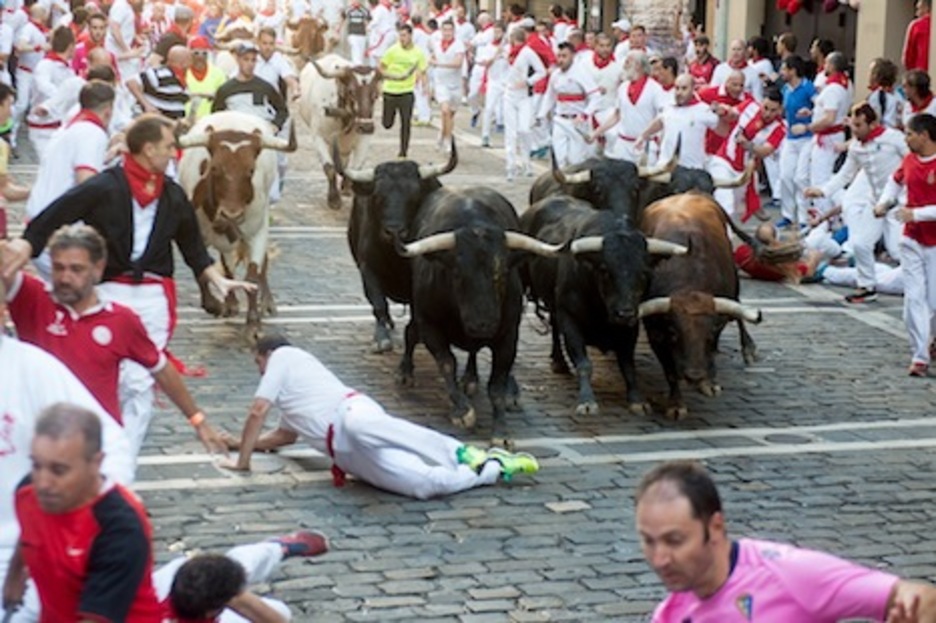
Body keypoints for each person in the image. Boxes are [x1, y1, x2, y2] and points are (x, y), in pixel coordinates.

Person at [1, 113, 254, 457]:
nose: (173, 152)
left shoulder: (174, 195)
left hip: (154, 299)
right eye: (168, 146)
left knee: (139, 383)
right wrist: (27, 244)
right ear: (148, 149)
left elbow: (192, 245)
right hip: (109, 292)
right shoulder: (105, 186)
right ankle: (95, 443)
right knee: (115, 379)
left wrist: (214, 278)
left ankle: (122, 460)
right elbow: (57, 213)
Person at [3, 223, 228, 460]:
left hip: (98, 449)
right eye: (59, 268)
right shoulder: (33, 299)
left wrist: (198, 420)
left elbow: (161, 369)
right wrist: (19, 247)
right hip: (38, 446)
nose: (65, 278)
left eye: (76, 269)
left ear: (98, 269)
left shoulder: (121, 320)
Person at [219, 335, 540, 500]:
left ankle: (461, 452)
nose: (259, 371)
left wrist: (243, 462)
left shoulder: (285, 356)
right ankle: (492, 467)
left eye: (257, 362)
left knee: (361, 427)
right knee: (424, 486)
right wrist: (238, 443)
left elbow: (257, 410)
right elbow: (283, 437)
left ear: (267, 355)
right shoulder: (290, 400)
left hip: (349, 414)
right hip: (345, 455)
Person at [635, 460, 936, 621]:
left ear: (715, 527)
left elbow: (923, 599)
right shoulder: (671, 615)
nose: (660, 558)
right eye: (648, 541)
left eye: (674, 541)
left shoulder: (790, 574)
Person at [0, 274, 133, 622]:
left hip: (25, 556)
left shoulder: (32, 368)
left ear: (2, 311)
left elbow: (109, 440)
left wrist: (88, 525)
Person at [2, 404, 163, 621]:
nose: (43, 482)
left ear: (96, 463)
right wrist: (14, 575)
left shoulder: (120, 529)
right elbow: (30, 530)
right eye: (37, 465)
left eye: (59, 470)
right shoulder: (28, 492)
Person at [805, 103, 907, 304]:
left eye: (859, 125)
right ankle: (867, 286)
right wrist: (824, 190)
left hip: (899, 201)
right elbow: (845, 174)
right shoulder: (855, 147)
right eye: (852, 126)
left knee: (898, 249)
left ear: (872, 123)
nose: (855, 130)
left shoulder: (893, 138)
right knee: (860, 242)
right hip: (875, 202)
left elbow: (913, 159)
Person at [874, 113, 936, 377]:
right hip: (911, 239)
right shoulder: (909, 160)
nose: (906, 138)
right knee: (914, 298)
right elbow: (894, 182)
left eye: (910, 133)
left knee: (933, 300)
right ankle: (919, 355)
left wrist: (918, 213)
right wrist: (885, 201)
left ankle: (930, 340)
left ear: (924, 135)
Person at [156, 531, 328, 622]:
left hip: (174, 583)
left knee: (235, 565)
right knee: (281, 611)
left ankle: (277, 548)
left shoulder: (166, 578)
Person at [707, 88, 785, 222]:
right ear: (761, 103)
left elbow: (765, 151)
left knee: (733, 208)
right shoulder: (750, 105)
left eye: (773, 111)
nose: (767, 114)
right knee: (726, 203)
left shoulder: (779, 128)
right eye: (765, 108)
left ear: (780, 110)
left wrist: (748, 145)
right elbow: (732, 113)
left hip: (745, 172)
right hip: (723, 161)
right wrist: (721, 110)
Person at [792, 51, 852, 218]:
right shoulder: (844, 84)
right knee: (808, 176)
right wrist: (811, 112)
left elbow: (829, 118)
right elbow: (828, 111)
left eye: (826, 63)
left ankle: (826, 218)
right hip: (828, 136)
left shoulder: (833, 88)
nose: (824, 66)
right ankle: (821, 216)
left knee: (821, 180)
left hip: (827, 138)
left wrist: (807, 128)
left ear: (832, 66)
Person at [589, 50, 667, 165]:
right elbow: (617, 115)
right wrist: (596, 132)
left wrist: (645, 135)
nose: (624, 66)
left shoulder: (655, 89)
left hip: (645, 146)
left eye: (628, 62)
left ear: (638, 65)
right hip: (623, 145)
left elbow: (662, 118)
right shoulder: (622, 87)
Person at [635, 74, 720, 177]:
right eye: (677, 88)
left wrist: (723, 114)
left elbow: (723, 131)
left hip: (691, 170)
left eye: (684, 88)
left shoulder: (705, 110)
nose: (679, 92)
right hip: (664, 168)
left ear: (693, 89)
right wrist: (643, 136)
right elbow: (660, 121)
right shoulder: (668, 106)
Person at [536, 41, 599, 168]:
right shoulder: (555, 75)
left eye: (564, 56)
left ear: (573, 56)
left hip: (577, 122)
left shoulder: (581, 73)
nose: (560, 60)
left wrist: (585, 115)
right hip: (560, 119)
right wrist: (541, 114)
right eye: (559, 56)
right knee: (560, 158)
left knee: (575, 160)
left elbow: (596, 96)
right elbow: (550, 96)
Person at [501, 27, 546, 180]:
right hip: (509, 94)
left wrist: (528, 81)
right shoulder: (507, 51)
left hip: (524, 96)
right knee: (511, 132)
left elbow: (542, 71)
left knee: (525, 129)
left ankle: (526, 161)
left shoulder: (527, 52)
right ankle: (510, 165)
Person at [212, 41, 288, 132]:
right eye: (246, 59)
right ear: (238, 60)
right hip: (236, 134)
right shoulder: (225, 90)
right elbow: (216, 115)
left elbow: (282, 110)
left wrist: (276, 125)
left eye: (253, 60)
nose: (250, 64)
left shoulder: (265, 87)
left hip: (261, 134)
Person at [777, 55, 815, 229]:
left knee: (801, 178)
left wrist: (811, 112)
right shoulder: (786, 89)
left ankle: (803, 217)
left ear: (793, 71)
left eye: (784, 69)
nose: (781, 72)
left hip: (807, 138)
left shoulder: (808, 87)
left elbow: (819, 107)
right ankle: (787, 214)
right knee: (785, 175)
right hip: (790, 137)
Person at [27, 25, 76, 160]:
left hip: (60, 127)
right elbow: (44, 86)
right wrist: (57, 100)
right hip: (42, 128)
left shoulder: (69, 70)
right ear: (71, 46)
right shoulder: (45, 65)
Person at [379, 24, 425, 159]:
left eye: (404, 35)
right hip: (390, 91)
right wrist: (388, 76)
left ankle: (403, 152)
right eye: (400, 35)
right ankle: (388, 120)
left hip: (407, 91)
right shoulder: (392, 51)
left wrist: (424, 86)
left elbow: (422, 70)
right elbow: (381, 67)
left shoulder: (418, 53)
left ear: (411, 36)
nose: (402, 38)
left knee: (406, 123)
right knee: (387, 123)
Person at [128, 44, 191, 119]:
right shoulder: (159, 73)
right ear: (183, 62)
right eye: (190, 60)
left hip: (172, 123)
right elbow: (131, 82)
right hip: (154, 123)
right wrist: (147, 105)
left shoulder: (181, 79)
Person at [429, 20, 464, 153]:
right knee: (445, 110)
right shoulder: (436, 43)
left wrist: (439, 63)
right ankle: (449, 140)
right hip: (441, 82)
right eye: (445, 30)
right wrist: (433, 61)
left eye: (450, 30)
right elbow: (432, 56)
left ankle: (442, 134)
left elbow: (458, 63)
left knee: (450, 115)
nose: (447, 33)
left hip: (455, 84)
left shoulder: (458, 45)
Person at [476, 20, 507, 148]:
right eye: (494, 32)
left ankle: (510, 138)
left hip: (506, 82)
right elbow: (484, 63)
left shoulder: (508, 47)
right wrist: (495, 55)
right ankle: (485, 135)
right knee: (489, 109)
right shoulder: (488, 47)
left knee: (507, 111)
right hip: (493, 81)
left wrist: (504, 53)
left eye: (499, 32)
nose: (496, 34)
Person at [185, 36, 226, 122]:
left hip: (211, 121)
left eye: (204, 53)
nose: (200, 57)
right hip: (186, 121)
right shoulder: (183, 73)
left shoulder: (218, 74)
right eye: (196, 53)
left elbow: (222, 99)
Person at [903, 0, 931, 72]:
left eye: (918, 9)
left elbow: (907, 56)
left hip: (920, 72)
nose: (916, 13)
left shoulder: (916, 25)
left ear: (926, 8)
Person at [344, 0, 369, 65]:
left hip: (362, 33)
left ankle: (359, 66)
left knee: (360, 52)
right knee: (355, 51)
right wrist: (353, 6)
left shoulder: (363, 9)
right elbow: (345, 14)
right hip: (352, 33)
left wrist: (359, 7)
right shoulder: (349, 9)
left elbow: (368, 15)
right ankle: (356, 66)